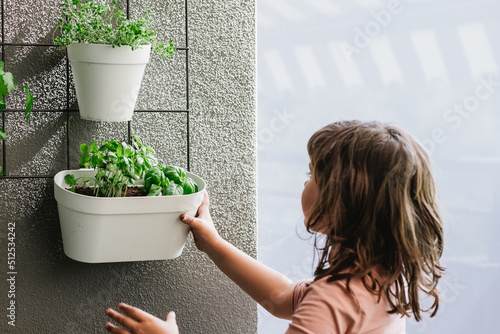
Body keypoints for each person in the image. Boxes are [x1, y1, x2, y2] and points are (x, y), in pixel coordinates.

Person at [105, 120, 444, 334]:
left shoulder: (333, 301)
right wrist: (213, 243)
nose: (306, 182)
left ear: (340, 202)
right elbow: (281, 296)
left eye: (312, 175)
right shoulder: (380, 279)